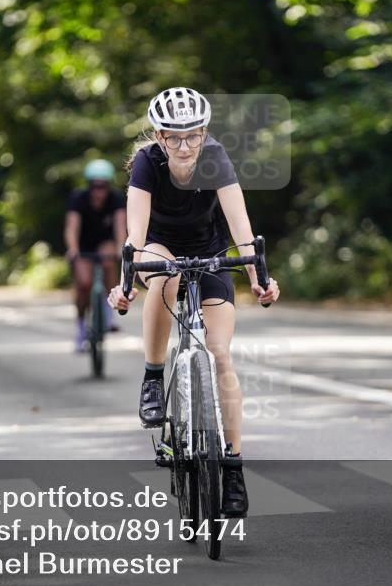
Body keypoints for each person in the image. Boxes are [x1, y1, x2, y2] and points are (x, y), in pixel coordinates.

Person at [107, 87, 280, 517]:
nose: (184, 146)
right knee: (163, 270)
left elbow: (241, 225)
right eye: (173, 137)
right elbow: (137, 236)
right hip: (161, 250)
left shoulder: (215, 156)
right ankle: (153, 375)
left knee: (221, 354)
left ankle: (233, 467)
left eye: (193, 136)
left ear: (204, 133)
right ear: (159, 135)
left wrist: (259, 276)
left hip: (210, 254)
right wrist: (125, 283)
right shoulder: (148, 164)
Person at [64, 159, 127, 351]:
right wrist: (73, 249)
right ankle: (81, 327)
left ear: (108, 186)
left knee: (109, 259)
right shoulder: (78, 198)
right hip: (83, 245)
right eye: (94, 185)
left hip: (104, 243)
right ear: (89, 185)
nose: (99, 191)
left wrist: (121, 249)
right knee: (83, 284)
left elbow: (120, 226)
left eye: (103, 186)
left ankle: (108, 315)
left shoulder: (115, 198)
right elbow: (71, 227)